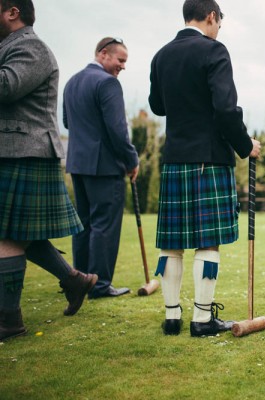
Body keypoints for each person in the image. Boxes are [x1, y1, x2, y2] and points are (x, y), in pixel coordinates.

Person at [148, 0, 261, 337]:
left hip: (174, 157)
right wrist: (246, 146)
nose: (218, 29)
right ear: (211, 16)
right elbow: (226, 111)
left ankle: (171, 317)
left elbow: (157, 105)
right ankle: (201, 319)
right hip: (208, 158)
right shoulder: (214, 51)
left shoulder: (161, 55)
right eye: (219, 23)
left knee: (172, 242)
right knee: (207, 241)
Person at [0, 0, 98, 341]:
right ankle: (75, 280)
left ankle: (9, 321)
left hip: (24, 151)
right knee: (21, 234)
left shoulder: (31, 46)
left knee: (7, 235)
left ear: (13, 11)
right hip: (13, 151)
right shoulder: (9, 46)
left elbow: (6, 86)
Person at [63, 37, 139, 299]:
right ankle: (99, 285)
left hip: (78, 165)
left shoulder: (72, 82)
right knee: (104, 226)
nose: (123, 66)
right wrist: (132, 160)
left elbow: (67, 121)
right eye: (121, 60)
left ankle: (80, 279)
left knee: (83, 225)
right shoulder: (108, 83)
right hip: (105, 168)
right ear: (103, 54)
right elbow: (118, 130)